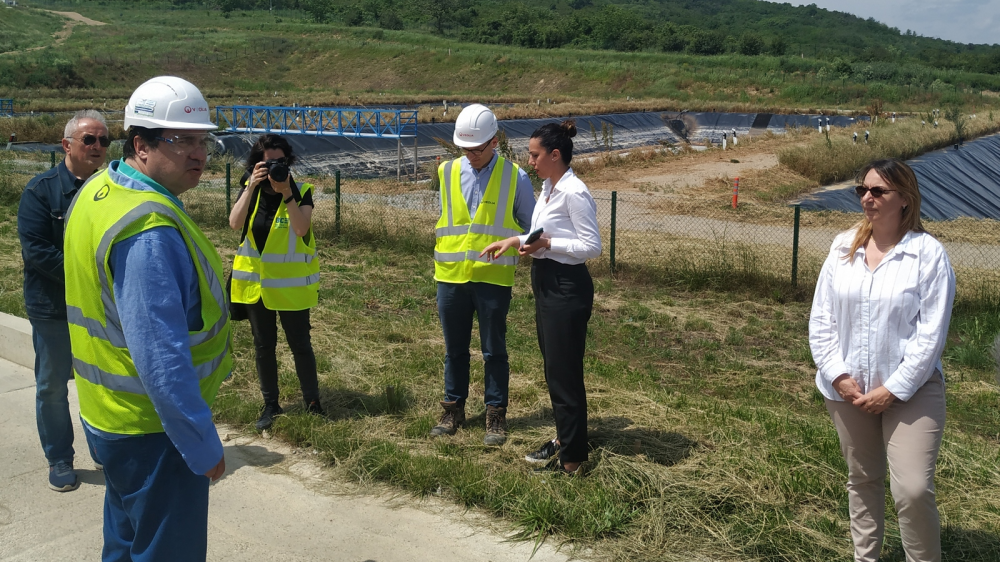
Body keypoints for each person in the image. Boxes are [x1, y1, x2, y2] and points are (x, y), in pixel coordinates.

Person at [64, 76, 230, 561]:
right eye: (184, 141)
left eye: (204, 141)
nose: (199, 154)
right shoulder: (148, 231)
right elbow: (162, 360)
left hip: (106, 416)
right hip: (152, 431)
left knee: (125, 542)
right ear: (141, 144)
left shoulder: (102, 188)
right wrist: (201, 445)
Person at [809, 158, 955, 562]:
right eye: (863, 190)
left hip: (912, 391)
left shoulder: (927, 255)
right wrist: (837, 375)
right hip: (848, 391)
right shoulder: (842, 247)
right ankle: (866, 556)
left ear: (904, 199)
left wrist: (892, 389)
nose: (867, 198)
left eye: (878, 191)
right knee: (863, 479)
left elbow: (930, 336)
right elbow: (822, 319)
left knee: (911, 488)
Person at [481, 120, 601, 474]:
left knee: (564, 374)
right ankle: (565, 439)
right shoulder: (549, 188)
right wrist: (516, 241)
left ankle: (573, 461)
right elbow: (539, 232)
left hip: (567, 286)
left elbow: (590, 246)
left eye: (534, 156)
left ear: (555, 154)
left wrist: (548, 244)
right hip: (547, 282)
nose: (529, 161)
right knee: (555, 370)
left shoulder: (574, 192)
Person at [431, 103, 535, 446]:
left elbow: (530, 227)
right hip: (451, 277)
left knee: (494, 351)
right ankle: (453, 408)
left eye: (478, 149)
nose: (471, 155)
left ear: (494, 142)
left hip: (493, 278)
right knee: (454, 349)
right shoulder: (446, 172)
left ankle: (495, 414)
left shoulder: (515, 177)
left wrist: (520, 243)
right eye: (466, 149)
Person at [18, 109, 109, 491]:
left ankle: (107, 452)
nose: (99, 146)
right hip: (53, 309)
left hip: (101, 309)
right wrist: (89, 279)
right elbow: (36, 251)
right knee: (53, 386)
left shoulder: (113, 190)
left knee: (101, 383)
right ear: (66, 144)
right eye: (90, 139)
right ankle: (59, 458)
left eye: (104, 140)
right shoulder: (40, 191)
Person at [229, 133, 323, 431]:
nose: (273, 168)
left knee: (301, 346)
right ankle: (270, 404)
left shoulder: (301, 190)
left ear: (288, 161)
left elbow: (300, 228)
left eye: (279, 162)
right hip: (257, 290)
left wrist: (286, 192)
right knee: (263, 347)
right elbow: (234, 223)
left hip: (292, 289)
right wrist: (252, 185)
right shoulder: (250, 189)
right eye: (267, 163)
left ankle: (312, 402)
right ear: (257, 163)